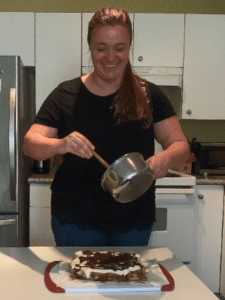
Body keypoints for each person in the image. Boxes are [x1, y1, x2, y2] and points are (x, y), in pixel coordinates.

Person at [23, 7, 190, 247]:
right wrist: (61, 144)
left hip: (133, 221)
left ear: (130, 46)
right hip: (74, 221)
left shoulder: (150, 95)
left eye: (119, 48)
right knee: (79, 283)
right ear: (89, 47)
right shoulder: (65, 94)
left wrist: (165, 159)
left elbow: (180, 146)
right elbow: (30, 144)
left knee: (128, 281)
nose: (110, 57)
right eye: (101, 48)